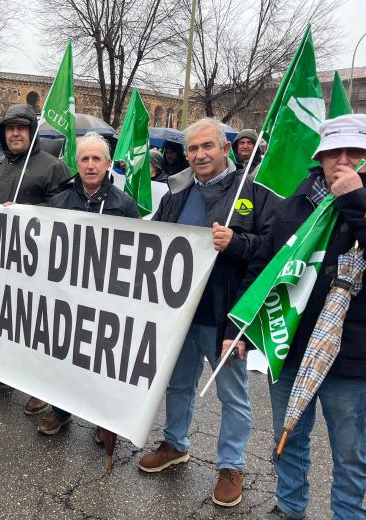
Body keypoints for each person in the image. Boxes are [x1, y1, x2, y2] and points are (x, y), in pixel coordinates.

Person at [230, 114, 366, 520]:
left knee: (350, 453)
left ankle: (348, 515)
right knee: (288, 437)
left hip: (349, 353)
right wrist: (239, 328)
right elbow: (265, 266)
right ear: (321, 157)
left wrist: (356, 200)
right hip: (291, 345)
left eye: (356, 153)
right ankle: (289, 507)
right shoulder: (297, 203)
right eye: (335, 152)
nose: (344, 160)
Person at [137, 117, 278, 508]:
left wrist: (237, 241)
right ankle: (175, 444)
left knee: (232, 395)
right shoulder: (175, 196)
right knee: (177, 384)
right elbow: (154, 244)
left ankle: (231, 466)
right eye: (193, 149)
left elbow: (270, 251)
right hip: (179, 315)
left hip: (225, 317)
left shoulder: (251, 193)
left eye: (207, 147)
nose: (200, 155)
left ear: (225, 149)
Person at [0, 104, 71, 414]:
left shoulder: (53, 167)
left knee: (36, 326)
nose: (15, 133)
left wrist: (27, 214)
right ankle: (1, 373)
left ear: (31, 132)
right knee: (1, 319)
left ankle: (41, 387)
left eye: (21, 128)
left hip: (36, 264)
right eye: (9, 128)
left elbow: (64, 216)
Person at [37, 132, 139, 435]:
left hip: (106, 297)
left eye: (97, 159)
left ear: (108, 164)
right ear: (76, 163)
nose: (91, 165)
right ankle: (60, 410)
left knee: (102, 361)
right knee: (64, 355)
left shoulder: (124, 205)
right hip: (66, 295)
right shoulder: (59, 201)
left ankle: (103, 421)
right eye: (85, 159)